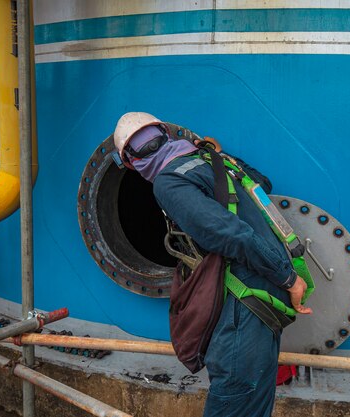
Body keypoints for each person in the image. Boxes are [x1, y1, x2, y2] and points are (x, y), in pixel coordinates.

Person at [113, 112, 312, 417]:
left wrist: (289, 279)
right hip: (265, 294)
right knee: (255, 395)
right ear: (166, 133)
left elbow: (230, 233)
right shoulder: (211, 159)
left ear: (130, 162)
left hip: (245, 298)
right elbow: (262, 185)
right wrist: (220, 156)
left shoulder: (167, 182)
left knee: (234, 392)